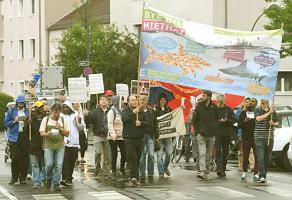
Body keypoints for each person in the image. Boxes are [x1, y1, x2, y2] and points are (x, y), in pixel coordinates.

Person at [40, 103, 69, 192]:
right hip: (48, 145)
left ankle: (56, 184)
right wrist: (47, 133)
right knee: (48, 164)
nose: (56, 115)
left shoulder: (63, 120)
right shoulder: (46, 119)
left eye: (58, 113)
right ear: (51, 111)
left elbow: (67, 133)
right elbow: (41, 133)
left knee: (59, 165)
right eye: (54, 113)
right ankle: (48, 179)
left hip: (60, 146)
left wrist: (60, 128)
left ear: (60, 112)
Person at [122, 95, 148, 186]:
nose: (134, 102)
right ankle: (134, 177)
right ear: (129, 102)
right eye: (132, 100)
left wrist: (140, 123)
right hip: (129, 138)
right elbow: (124, 119)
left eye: (135, 100)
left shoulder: (141, 111)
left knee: (138, 158)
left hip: (139, 138)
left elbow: (147, 122)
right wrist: (133, 113)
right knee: (132, 157)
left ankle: (134, 176)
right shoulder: (126, 110)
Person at [192, 90, 218, 180]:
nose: (202, 97)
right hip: (201, 134)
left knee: (209, 155)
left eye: (204, 95)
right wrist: (197, 132)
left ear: (209, 97)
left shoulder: (214, 107)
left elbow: (217, 119)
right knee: (202, 154)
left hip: (211, 135)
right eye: (202, 95)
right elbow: (194, 120)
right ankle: (203, 172)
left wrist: (215, 130)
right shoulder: (199, 106)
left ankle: (207, 172)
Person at [4, 95, 29, 185]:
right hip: (14, 137)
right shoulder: (11, 111)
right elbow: (6, 123)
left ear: (24, 104)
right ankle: (14, 177)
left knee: (24, 157)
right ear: (17, 103)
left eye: (22, 103)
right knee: (14, 157)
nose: (21, 104)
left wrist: (28, 121)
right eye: (19, 103)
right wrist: (14, 121)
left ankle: (23, 177)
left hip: (24, 136)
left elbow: (30, 123)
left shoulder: (27, 111)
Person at [61, 101, 85, 186]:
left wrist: (78, 123)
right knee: (65, 161)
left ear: (70, 108)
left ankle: (69, 177)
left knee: (72, 161)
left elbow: (82, 129)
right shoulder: (61, 116)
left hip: (74, 142)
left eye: (66, 107)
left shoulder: (76, 114)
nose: (65, 109)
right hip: (64, 142)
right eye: (63, 107)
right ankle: (64, 178)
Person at [254, 99, 278, 183]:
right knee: (260, 157)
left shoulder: (273, 111)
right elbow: (258, 119)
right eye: (262, 102)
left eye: (265, 102)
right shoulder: (257, 109)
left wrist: (273, 123)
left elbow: (277, 123)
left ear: (268, 102)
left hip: (269, 137)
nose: (263, 104)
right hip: (259, 137)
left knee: (268, 158)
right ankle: (262, 176)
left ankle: (264, 174)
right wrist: (269, 113)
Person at [214, 94, 236, 177]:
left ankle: (223, 168)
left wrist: (227, 120)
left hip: (226, 134)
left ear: (223, 102)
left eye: (219, 103)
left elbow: (234, 120)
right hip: (217, 134)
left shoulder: (228, 110)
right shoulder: (215, 109)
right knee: (217, 151)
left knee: (225, 152)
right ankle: (219, 168)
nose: (218, 104)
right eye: (217, 102)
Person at [89, 95, 111, 177]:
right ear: (99, 101)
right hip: (97, 135)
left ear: (108, 102)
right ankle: (97, 167)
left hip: (108, 135)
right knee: (97, 153)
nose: (104, 101)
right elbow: (90, 122)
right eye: (102, 100)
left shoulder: (110, 111)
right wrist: (87, 115)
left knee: (107, 155)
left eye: (105, 100)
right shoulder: (95, 111)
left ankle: (106, 171)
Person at [238, 98, 259, 181]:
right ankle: (244, 171)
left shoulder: (257, 113)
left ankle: (256, 173)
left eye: (253, 102)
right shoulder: (243, 113)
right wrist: (245, 121)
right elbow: (239, 125)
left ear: (256, 104)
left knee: (257, 156)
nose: (251, 103)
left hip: (256, 137)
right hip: (246, 137)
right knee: (245, 155)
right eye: (250, 102)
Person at [139, 95, 158, 183]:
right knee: (142, 156)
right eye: (141, 100)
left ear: (147, 101)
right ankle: (142, 173)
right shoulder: (137, 111)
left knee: (151, 154)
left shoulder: (151, 111)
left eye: (144, 100)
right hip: (141, 136)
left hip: (150, 135)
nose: (142, 101)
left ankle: (150, 172)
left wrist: (157, 136)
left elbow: (155, 123)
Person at [107, 95, 127, 180]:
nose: (122, 102)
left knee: (124, 153)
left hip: (122, 136)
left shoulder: (123, 111)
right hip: (113, 137)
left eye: (123, 100)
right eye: (121, 100)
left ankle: (122, 168)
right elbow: (110, 124)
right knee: (114, 154)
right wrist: (113, 134)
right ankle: (113, 171)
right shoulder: (112, 111)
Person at [29, 101, 47, 189]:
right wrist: (27, 123)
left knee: (44, 164)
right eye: (38, 107)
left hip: (43, 144)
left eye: (41, 107)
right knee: (34, 164)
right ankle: (37, 180)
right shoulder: (30, 118)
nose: (40, 108)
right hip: (33, 144)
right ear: (35, 108)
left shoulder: (46, 118)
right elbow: (26, 131)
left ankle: (42, 178)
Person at [156, 93, 172, 178]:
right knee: (159, 156)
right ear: (159, 100)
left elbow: (174, 117)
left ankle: (165, 167)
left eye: (165, 99)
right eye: (161, 99)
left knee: (169, 153)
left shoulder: (169, 109)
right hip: (159, 136)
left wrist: (180, 109)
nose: (163, 101)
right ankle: (161, 172)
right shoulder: (155, 109)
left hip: (168, 135)